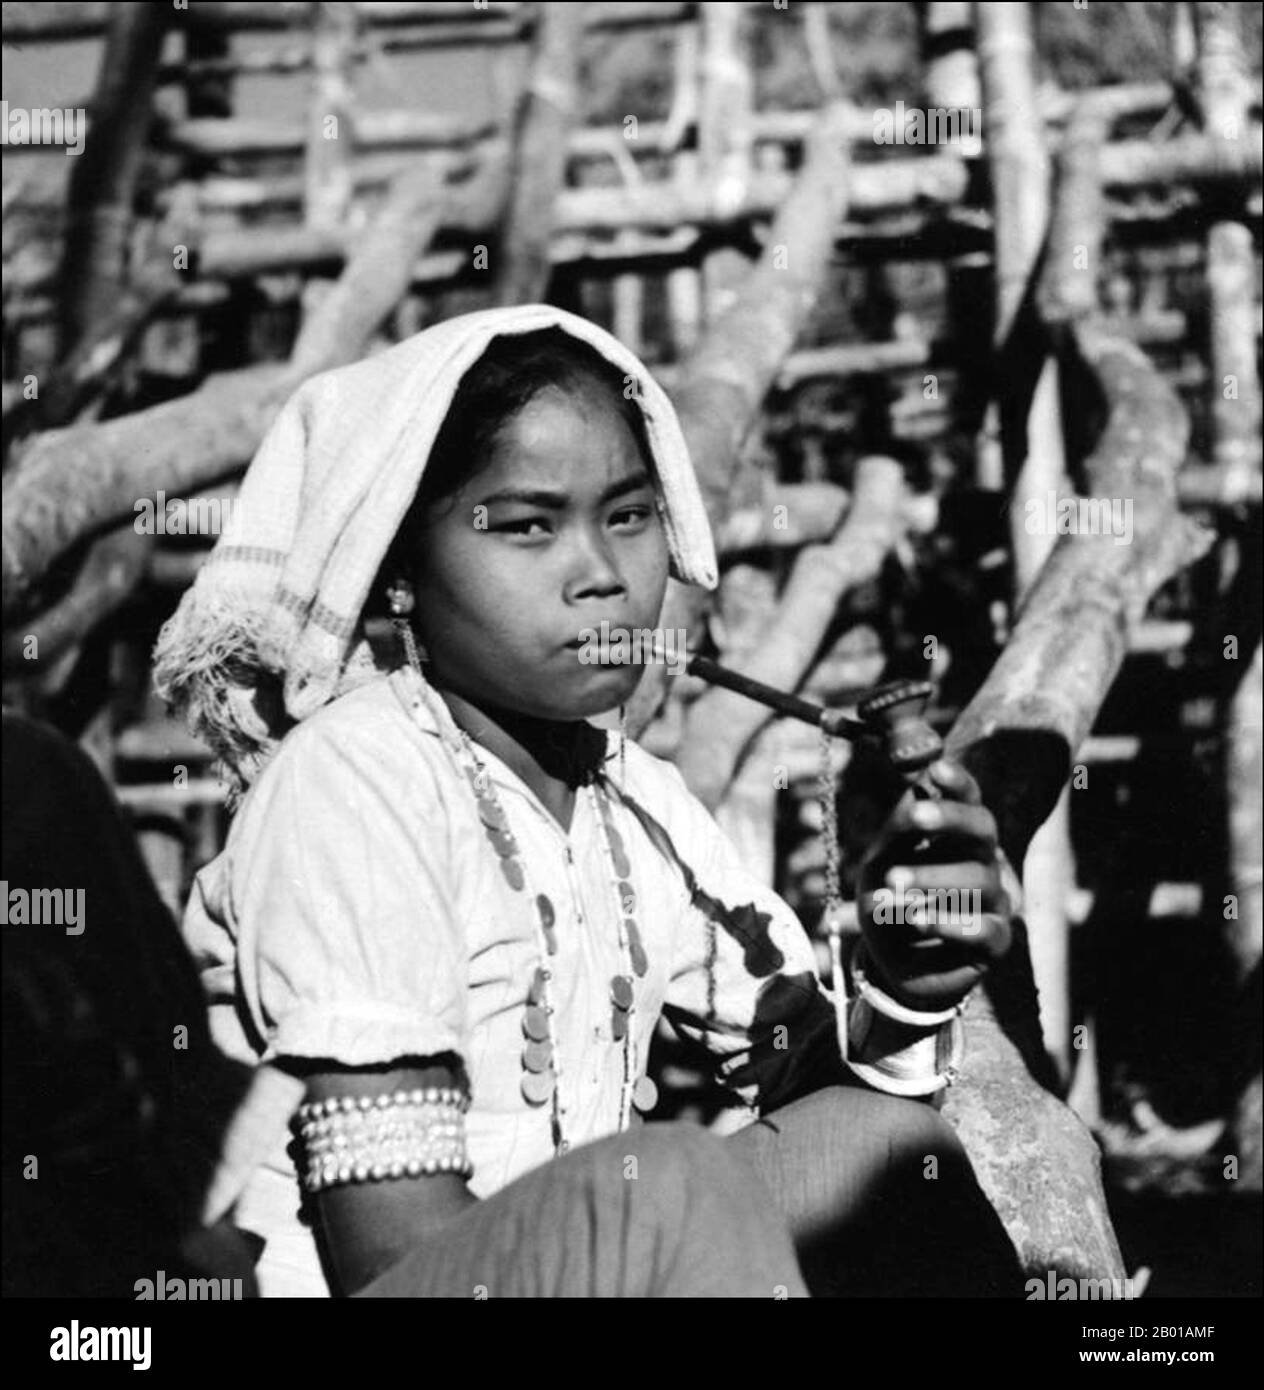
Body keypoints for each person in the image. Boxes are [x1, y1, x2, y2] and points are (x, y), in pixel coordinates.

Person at [153, 304, 1022, 1298]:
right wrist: (648, 1221)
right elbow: (389, 1255)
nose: (602, 576)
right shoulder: (354, 782)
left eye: (628, 515)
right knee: (666, 1183)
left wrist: (904, 984)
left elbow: (810, 1099)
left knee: (878, 1141)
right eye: (526, 527)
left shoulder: (632, 801)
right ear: (399, 575)